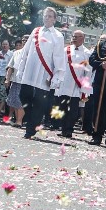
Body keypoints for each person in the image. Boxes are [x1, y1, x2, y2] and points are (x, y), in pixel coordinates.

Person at [17, 7, 65, 139]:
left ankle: (30, 130)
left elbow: (59, 58)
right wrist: (21, 68)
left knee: (39, 102)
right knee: (23, 96)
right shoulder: (36, 31)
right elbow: (26, 51)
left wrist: (56, 77)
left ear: (55, 19)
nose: (47, 18)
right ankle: (32, 120)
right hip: (29, 71)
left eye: (50, 16)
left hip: (44, 74)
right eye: (45, 15)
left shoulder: (58, 36)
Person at [55, 30, 91, 138]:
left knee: (74, 109)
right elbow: (59, 66)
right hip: (65, 83)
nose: (74, 38)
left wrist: (85, 87)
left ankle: (69, 130)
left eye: (77, 36)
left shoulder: (86, 53)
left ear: (82, 38)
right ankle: (63, 129)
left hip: (76, 85)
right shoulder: (66, 50)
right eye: (73, 36)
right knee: (63, 107)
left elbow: (88, 71)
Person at [3, 38, 25, 126]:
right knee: (14, 100)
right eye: (24, 40)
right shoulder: (16, 53)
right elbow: (10, 67)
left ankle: (19, 121)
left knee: (21, 101)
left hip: (26, 82)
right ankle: (18, 120)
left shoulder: (33, 53)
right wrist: (7, 79)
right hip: (15, 80)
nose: (25, 41)